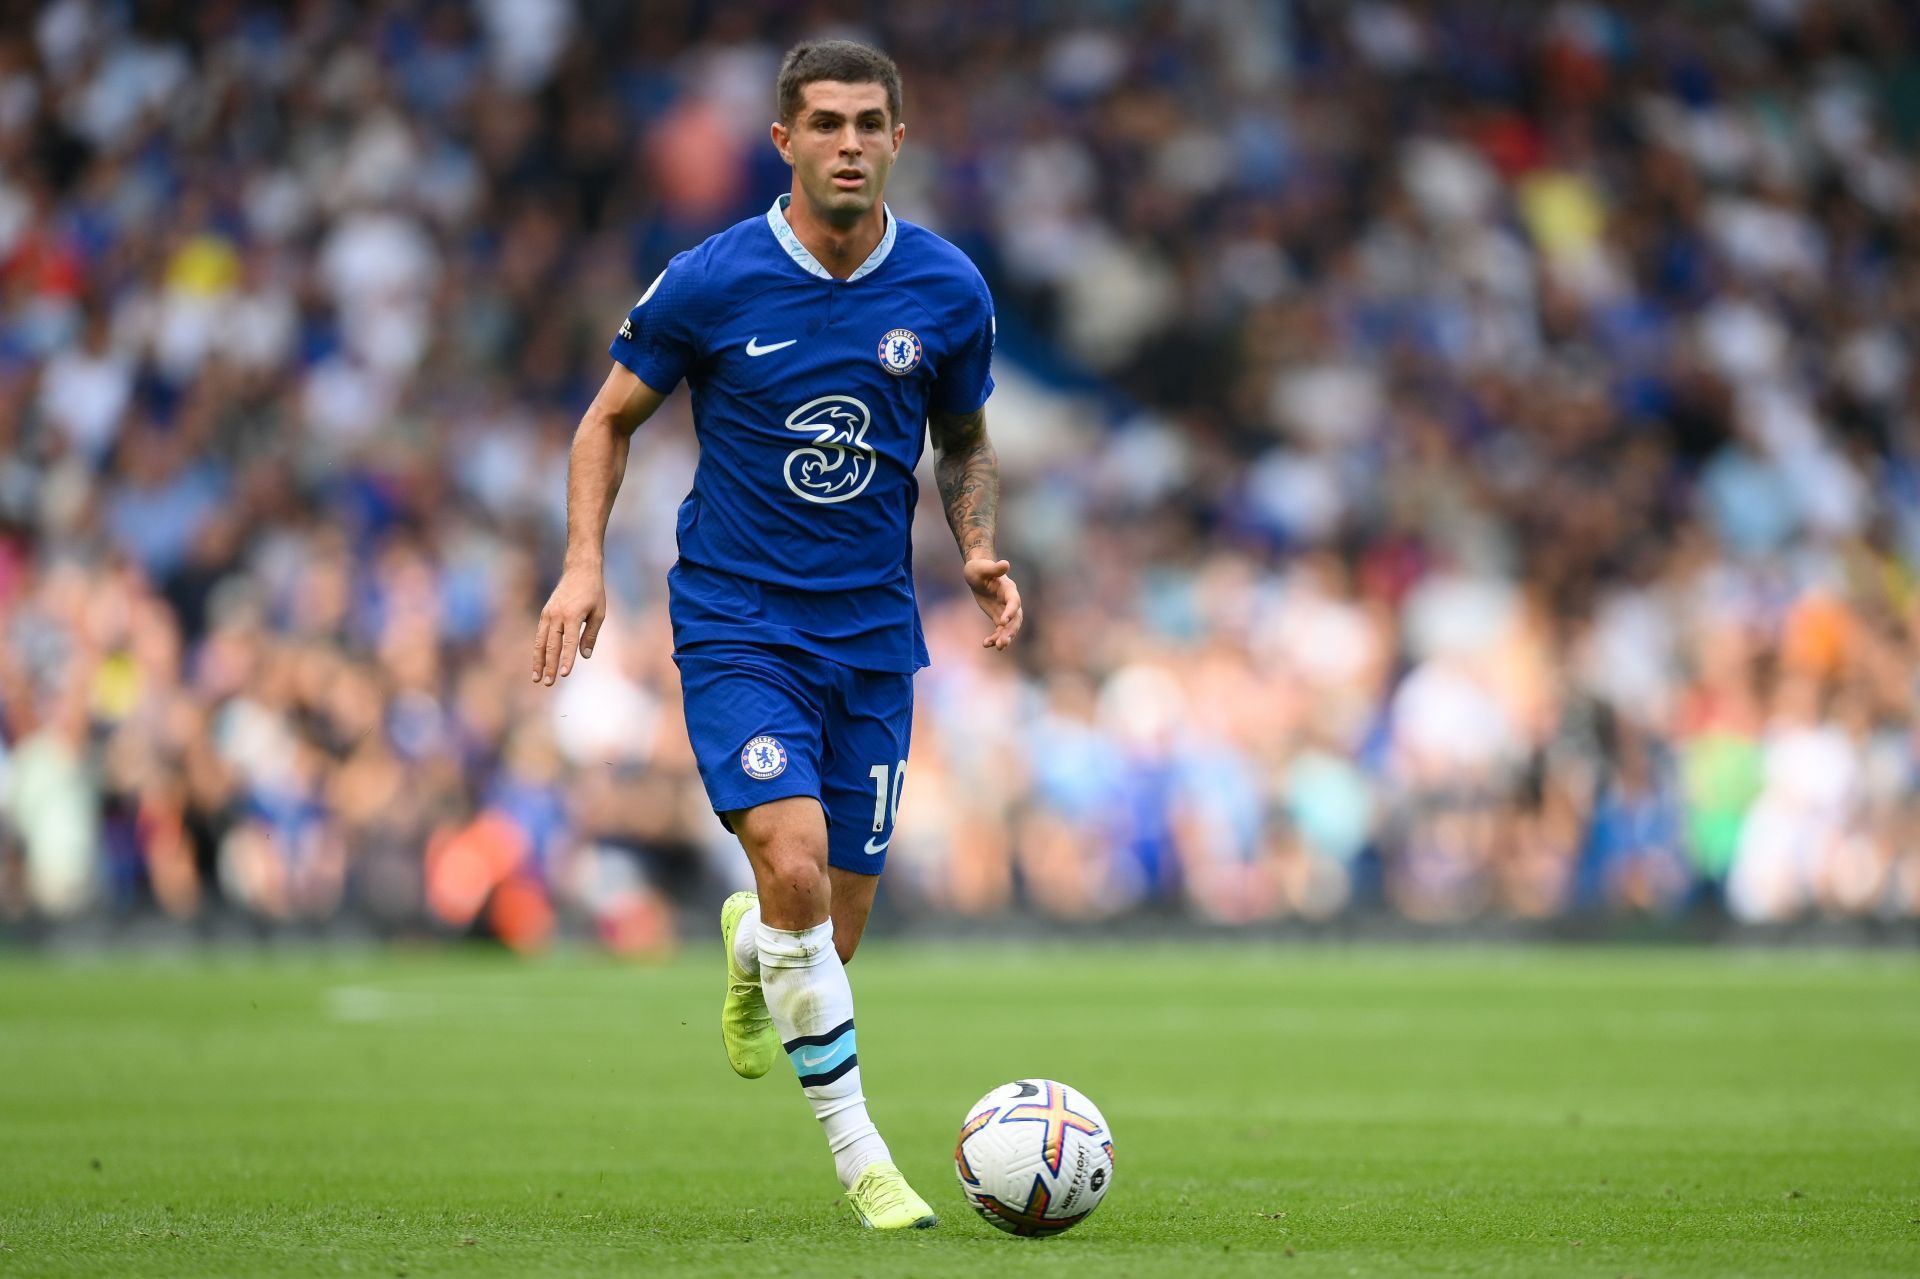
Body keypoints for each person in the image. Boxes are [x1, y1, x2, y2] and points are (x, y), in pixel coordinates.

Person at [532, 39, 1019, 1229]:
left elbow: (961, 438)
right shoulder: (712, 279)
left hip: (875, 639)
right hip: (738, 622)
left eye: (869, 124)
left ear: (899, 141)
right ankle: (866, 1163)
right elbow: (606, 422)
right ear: (784, 141)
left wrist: (980, 550)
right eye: (826, 123)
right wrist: (583, 563)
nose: (848, 143)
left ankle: (757, 940)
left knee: (826, 927)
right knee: (793, 857)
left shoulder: (949, 290)